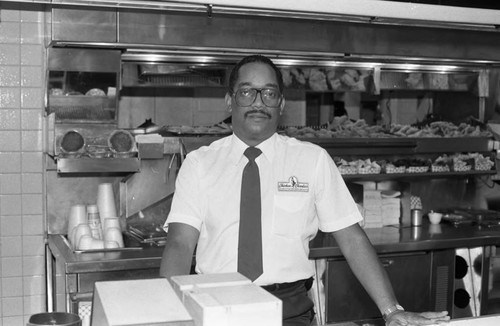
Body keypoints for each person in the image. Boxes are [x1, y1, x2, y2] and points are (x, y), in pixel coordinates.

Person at [160, 54, 450, 326]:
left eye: (269, 93)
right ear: (229, 100)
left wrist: (391, 310)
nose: (258, 102)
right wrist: (169, 314)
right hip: (216, 308)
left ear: (281, 104)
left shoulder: (312, 160)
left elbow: (350, 238)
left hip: (290, 310)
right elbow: (180, 244)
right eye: (247, 92)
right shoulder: (199, 163)